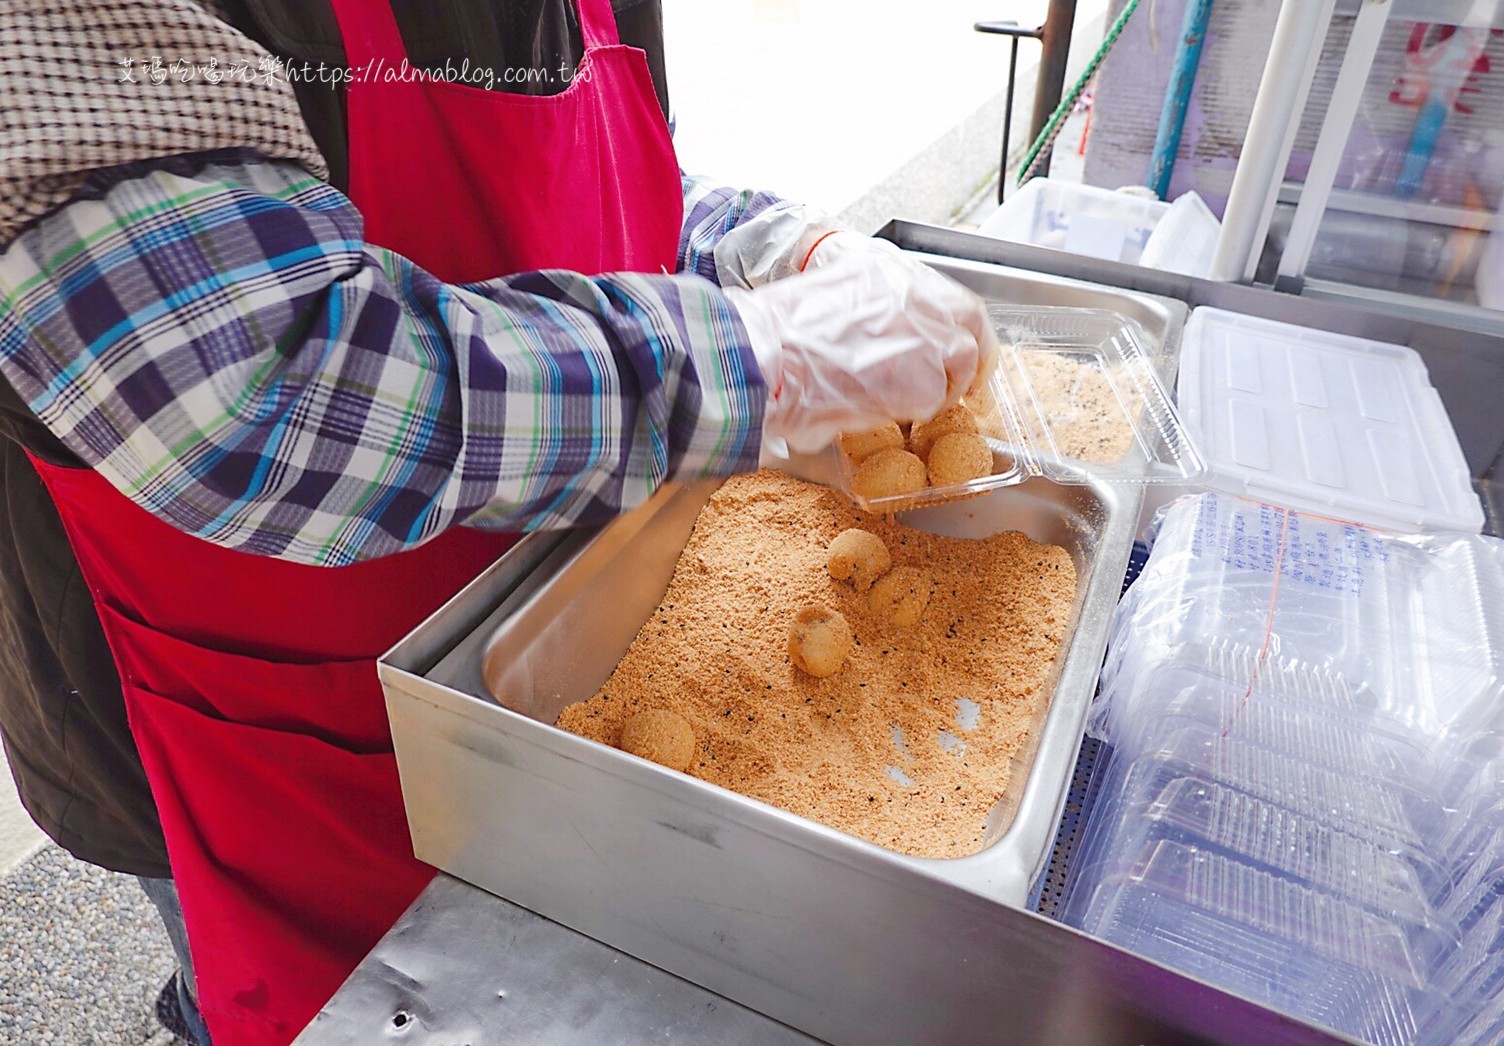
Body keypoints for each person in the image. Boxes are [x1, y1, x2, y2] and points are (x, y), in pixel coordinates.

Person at [0, 1, 999, 1044]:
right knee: (284, 997)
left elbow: (595, 186)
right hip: (254, 716)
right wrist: (755, 358)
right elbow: (251, 386)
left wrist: (764, 249)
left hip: (545, 670)